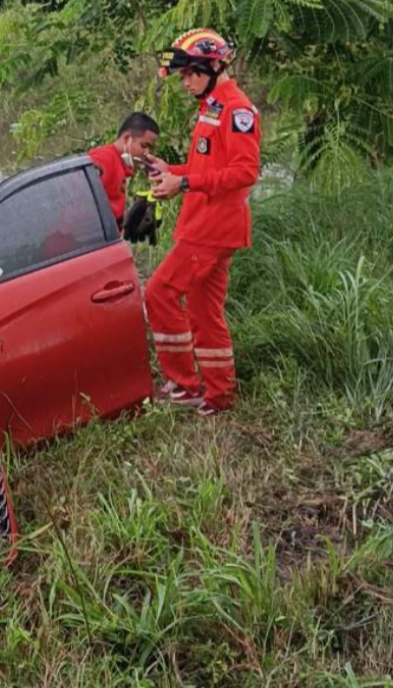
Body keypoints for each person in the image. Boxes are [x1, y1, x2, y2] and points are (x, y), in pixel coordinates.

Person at [143, 28, 261, 416]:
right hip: (205, 225)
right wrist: (172, 171)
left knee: (159, 292)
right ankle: (219, 395)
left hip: (212, 229)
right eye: (182, 75)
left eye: (190, 72)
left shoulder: (236, 110)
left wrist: (186, 182)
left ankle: (184, 384)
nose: (185, 80)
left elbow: (245, 173)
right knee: (203, 313)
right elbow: (203, 167)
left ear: (213, 66)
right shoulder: (212, 106)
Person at [87, 112, 160, 232]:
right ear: (126, 139)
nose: (147, 153)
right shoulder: (104, 159)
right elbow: (83, 201)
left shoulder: (119, 165)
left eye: (150, 148)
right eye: (144, 146)